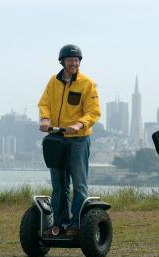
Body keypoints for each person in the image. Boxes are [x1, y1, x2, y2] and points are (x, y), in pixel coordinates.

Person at [38, 44, 101, 236]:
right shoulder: (53, 81)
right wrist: (44, 118)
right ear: (62, 61)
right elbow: (45, 103)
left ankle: (76, 224)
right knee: (59, 185)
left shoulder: (86, 83)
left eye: (77, 60)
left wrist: (80, 124)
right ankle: (59, 223)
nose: (74, 63)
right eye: (70, 60)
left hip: (78, 140)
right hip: (57, 137)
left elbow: (94, 111)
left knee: (79, 184)